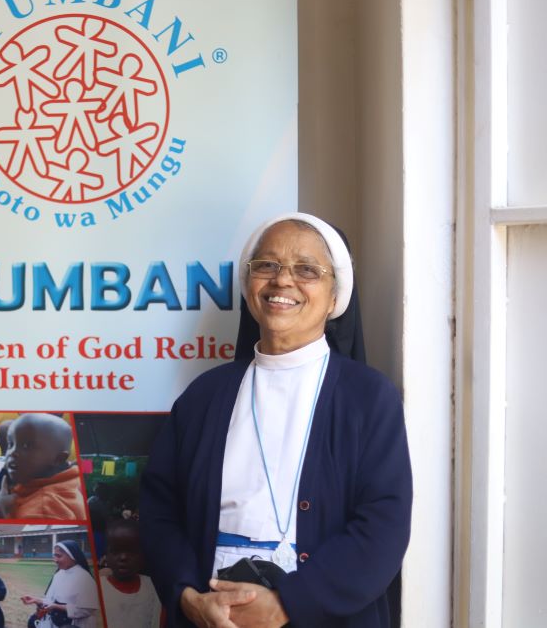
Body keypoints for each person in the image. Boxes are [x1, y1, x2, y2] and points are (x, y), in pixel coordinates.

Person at [139, 212, 413, 628]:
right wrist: (188, 596)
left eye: (306, 270)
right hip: (212, 615)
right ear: (249, 285)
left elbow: (383, 526)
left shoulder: (369, 398)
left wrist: (288, 604)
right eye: (267, 265)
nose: (282, 281)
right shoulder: (203, 397)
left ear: (335, 294)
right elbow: (160, 510)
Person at [0, 413, 86, 520]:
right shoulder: (70, 483)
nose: (13, 452)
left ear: (58, 459)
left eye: (26, 446)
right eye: (10, 444)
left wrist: (0, 515)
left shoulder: (43, 508)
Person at [22, 541, 100, 628]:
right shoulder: (59, 574)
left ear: (72, 556)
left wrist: (57, 606)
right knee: (32, 622)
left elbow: (87, 610)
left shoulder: (84, 578)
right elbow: (52, 600)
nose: (55, 560)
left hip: (76, 624)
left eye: (59, 556)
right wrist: (37, 600)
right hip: (55, 622)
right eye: (54, 555)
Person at [100, 520, 162, 628]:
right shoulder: (98, 589)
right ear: (106, 556)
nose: (123, 557)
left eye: (131, 551)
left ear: (143, 555)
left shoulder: (153, 587)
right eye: (115, 551)